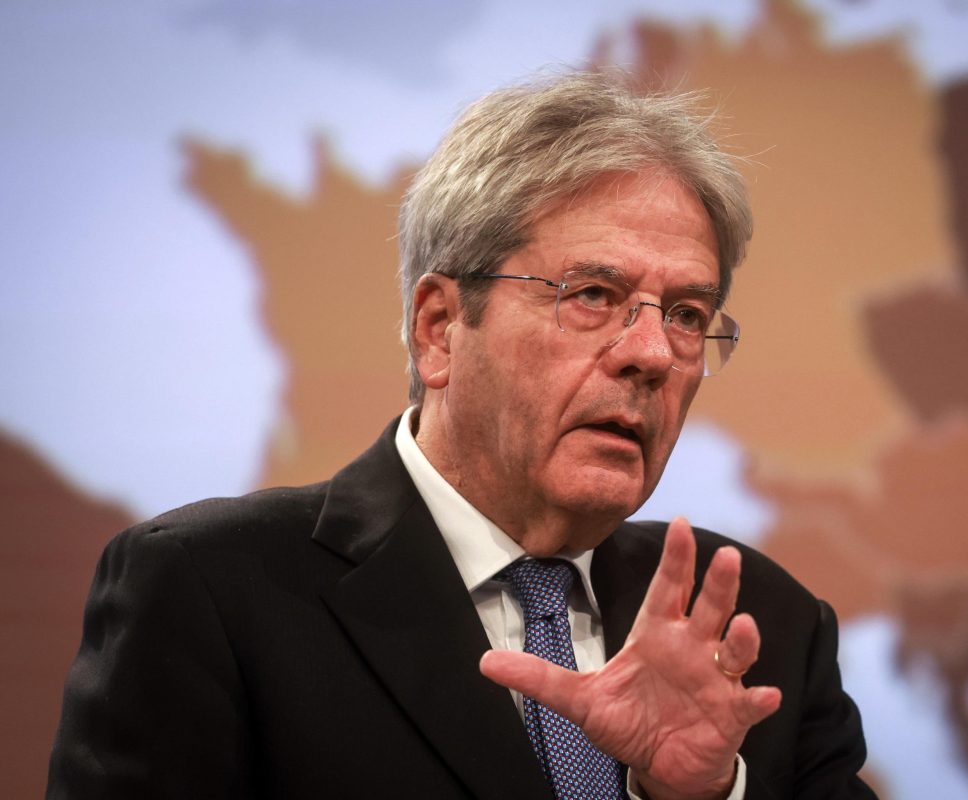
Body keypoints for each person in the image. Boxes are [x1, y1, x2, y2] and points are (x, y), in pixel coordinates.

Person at [48, 71, 875, 799]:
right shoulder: (210, 591)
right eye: (593, 295)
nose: (654, 354)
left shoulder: (758, 629)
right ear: (440, 327)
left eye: (687, 315)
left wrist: (703, 797)